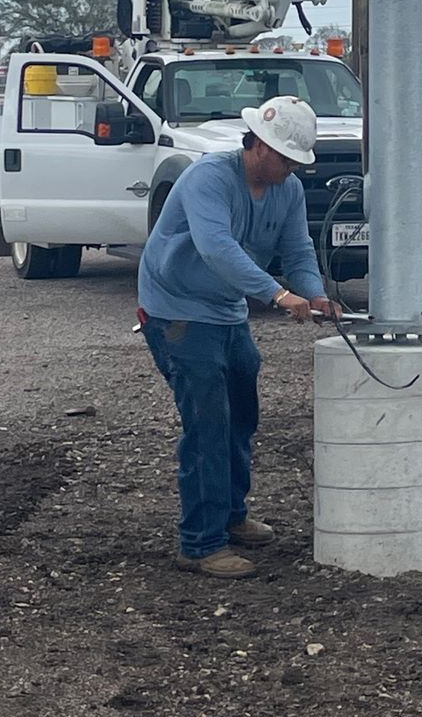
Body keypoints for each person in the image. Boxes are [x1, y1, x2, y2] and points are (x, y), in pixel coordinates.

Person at [137, 95, 337, 580]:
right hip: (178, 310)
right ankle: (201, 542)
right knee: (208, 421)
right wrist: (278, 295)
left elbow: (297, 246)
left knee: (241, 414)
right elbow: (216, 249)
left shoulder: (284, 190)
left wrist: (315, 293)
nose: (290, 168)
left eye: (295, 161)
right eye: (285, 157)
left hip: (225, 312)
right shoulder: (209, 178)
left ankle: (230, 513)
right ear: (257, 144)